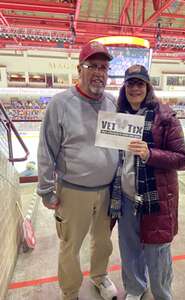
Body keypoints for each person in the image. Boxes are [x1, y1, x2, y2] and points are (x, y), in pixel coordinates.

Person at [37, 41, 119, 300]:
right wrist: (46, 190)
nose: (99, 72)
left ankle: (99, 276)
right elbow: (46, 149)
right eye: (92, 66)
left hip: (106, 189)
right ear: (79, 69)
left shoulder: (112, 102)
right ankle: (70, 291)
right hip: (73, 191)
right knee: (70, 246)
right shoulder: (60, 104)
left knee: (103, 242)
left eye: (104, 67)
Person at [109, 65, 185, 300]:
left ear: (147, 87)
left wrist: (150, 154)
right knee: (129, 248)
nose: (135, 88)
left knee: (157, 253)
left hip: (155, 197)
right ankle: (135, 288)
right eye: (131, 84)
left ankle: (163, 294)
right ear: (125, 87)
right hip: (125, 196)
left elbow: (182, 157)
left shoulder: (165, 116)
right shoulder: (118, 117)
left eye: (140, 84)